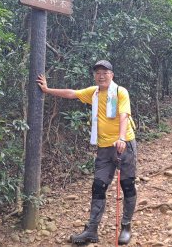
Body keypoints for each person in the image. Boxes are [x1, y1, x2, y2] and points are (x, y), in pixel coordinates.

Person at [37, 60, 137, 245]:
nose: (101, 75)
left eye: (105, 72)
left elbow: (124, 115)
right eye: (98, 72)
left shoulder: (120, 92)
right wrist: (48, 90)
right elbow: (72, 94)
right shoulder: (94, 93)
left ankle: (126, 226)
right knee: (98, 186)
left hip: (124, 144)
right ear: (94, 75)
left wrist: (121, 138)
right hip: (104, 147)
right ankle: (91, 230)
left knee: (127, 185)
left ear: (112, 75)